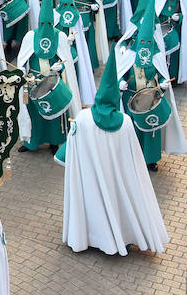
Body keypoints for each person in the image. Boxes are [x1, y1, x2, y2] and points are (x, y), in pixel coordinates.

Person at [58, 50, 170, 255]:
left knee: (92, 202)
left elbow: (73, 149)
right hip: (117, 177)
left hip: (91, 175)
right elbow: (133, 158)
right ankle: (121, 236)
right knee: (118, 203)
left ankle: (90, 237)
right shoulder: (126, 122)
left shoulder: (82, 119)